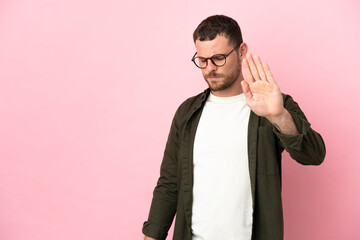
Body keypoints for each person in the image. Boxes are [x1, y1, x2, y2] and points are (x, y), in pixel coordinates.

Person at [142, 15, 326, 240]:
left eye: (218, 58)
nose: (210, 68)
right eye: (202, 60)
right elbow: (169, 183)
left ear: (241, 51)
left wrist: (279, 116)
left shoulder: (273, 106)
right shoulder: (187, 113)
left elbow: (314, 155)